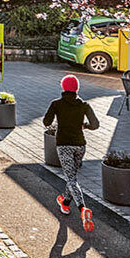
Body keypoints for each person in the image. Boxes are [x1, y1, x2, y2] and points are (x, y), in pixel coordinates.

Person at [43, 75, 99, 231]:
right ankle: (65, 203)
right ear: (77, 89)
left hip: (64, 145)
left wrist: (55, 120)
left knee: (71, 179)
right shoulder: (84, 105)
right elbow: (95, 124)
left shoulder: (56, 104)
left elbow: (46, 122)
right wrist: (85, 126)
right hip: (80, 145)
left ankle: (82, 209)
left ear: (63, 88)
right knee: (72, 176)